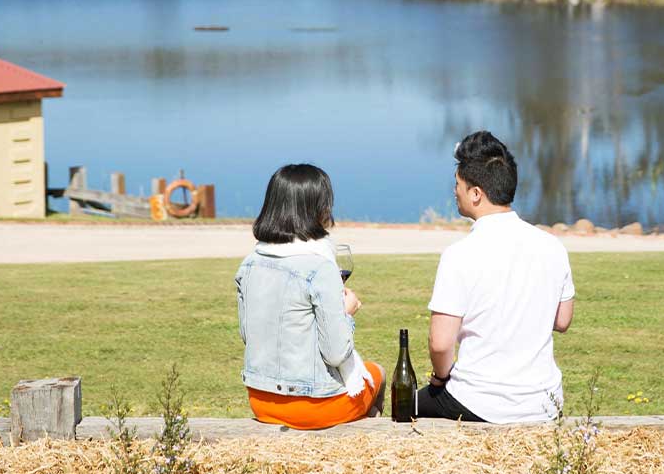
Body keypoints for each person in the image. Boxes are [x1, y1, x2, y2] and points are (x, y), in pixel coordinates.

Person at [418, 130, 575, 422]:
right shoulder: (553, 246)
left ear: (476, 194)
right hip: (543, 402)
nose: (455, 192)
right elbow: (562, 321)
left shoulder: (459, 255)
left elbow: (440, 344)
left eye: (458, 186)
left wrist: (440, 379)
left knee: (408, 405)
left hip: (478, 403)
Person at [235, 163, 384, 429]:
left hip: (260, 399)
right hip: (312, 404)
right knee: (377, 374)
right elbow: (336, 354)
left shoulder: (249, 263)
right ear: (317, 209)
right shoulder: (319, 266)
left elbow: (249, 335)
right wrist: (346, 313)